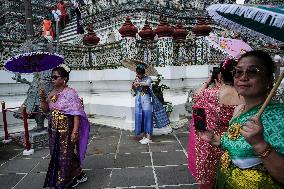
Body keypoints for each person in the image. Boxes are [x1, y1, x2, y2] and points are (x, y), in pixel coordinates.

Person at [199, 50, 284, 188]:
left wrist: (259, 144)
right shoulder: (239, 109)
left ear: (269, 80)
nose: (243, 77)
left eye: (252, 71)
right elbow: (237, 146)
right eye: (238, 72)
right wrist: (217, 140)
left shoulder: (280, 115)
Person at [188, 58, 243, 189]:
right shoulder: (245, 96)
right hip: (235, 144)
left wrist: (208, 81)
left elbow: (196, 99)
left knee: (211, 181)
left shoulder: (210, 94)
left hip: (213, 144)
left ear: (220, 75)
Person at [40, 65, 90, 189]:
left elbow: (76, 113)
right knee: (57, 153)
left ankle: (64, 181)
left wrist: (75, 132)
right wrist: (42, 98)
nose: (53, 79)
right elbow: (46, 110)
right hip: (53, 129)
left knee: (65, 155)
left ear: (64, 79)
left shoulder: (70, 93)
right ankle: (79, 174)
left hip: (67, 129)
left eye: (55, 77)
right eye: (52, 77)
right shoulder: (51, 93)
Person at [132, 63, 170, 144]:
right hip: (138, 101)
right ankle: (144, 136)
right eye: (138, 73)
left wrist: (138, 83)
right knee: (140, 117)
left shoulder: (148, 78)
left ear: (144, 73)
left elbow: (147, 84)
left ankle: (148, 137)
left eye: (140, 74)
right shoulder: (136, 79)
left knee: (147, 117)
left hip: (146, 101)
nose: (139, 75)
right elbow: (135, 91)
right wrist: (134, 86)